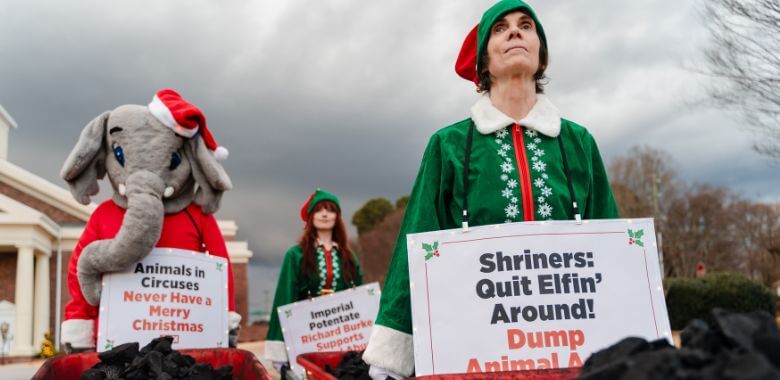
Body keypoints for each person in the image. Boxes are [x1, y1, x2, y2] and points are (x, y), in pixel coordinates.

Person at [362, 0, 619, 378]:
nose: (515, 31)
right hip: (473, 356)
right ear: (483, 63)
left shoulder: (580, 142)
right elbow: (416, 241)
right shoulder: (447, 145)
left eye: (526, 25)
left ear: (541, 54)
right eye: (500, 28)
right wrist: (393, 350)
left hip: (571, 356)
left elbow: (609, 244)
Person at [265, 189, 364, 369]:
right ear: (311, 217)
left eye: (330, 210)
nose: (325, 214)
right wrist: (279, 345)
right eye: (319, 210)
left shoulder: (349, 257)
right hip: (305, 334)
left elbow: (361, 300)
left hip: (342, 334)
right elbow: (284, 298)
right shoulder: (295, 255)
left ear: (337, 217)